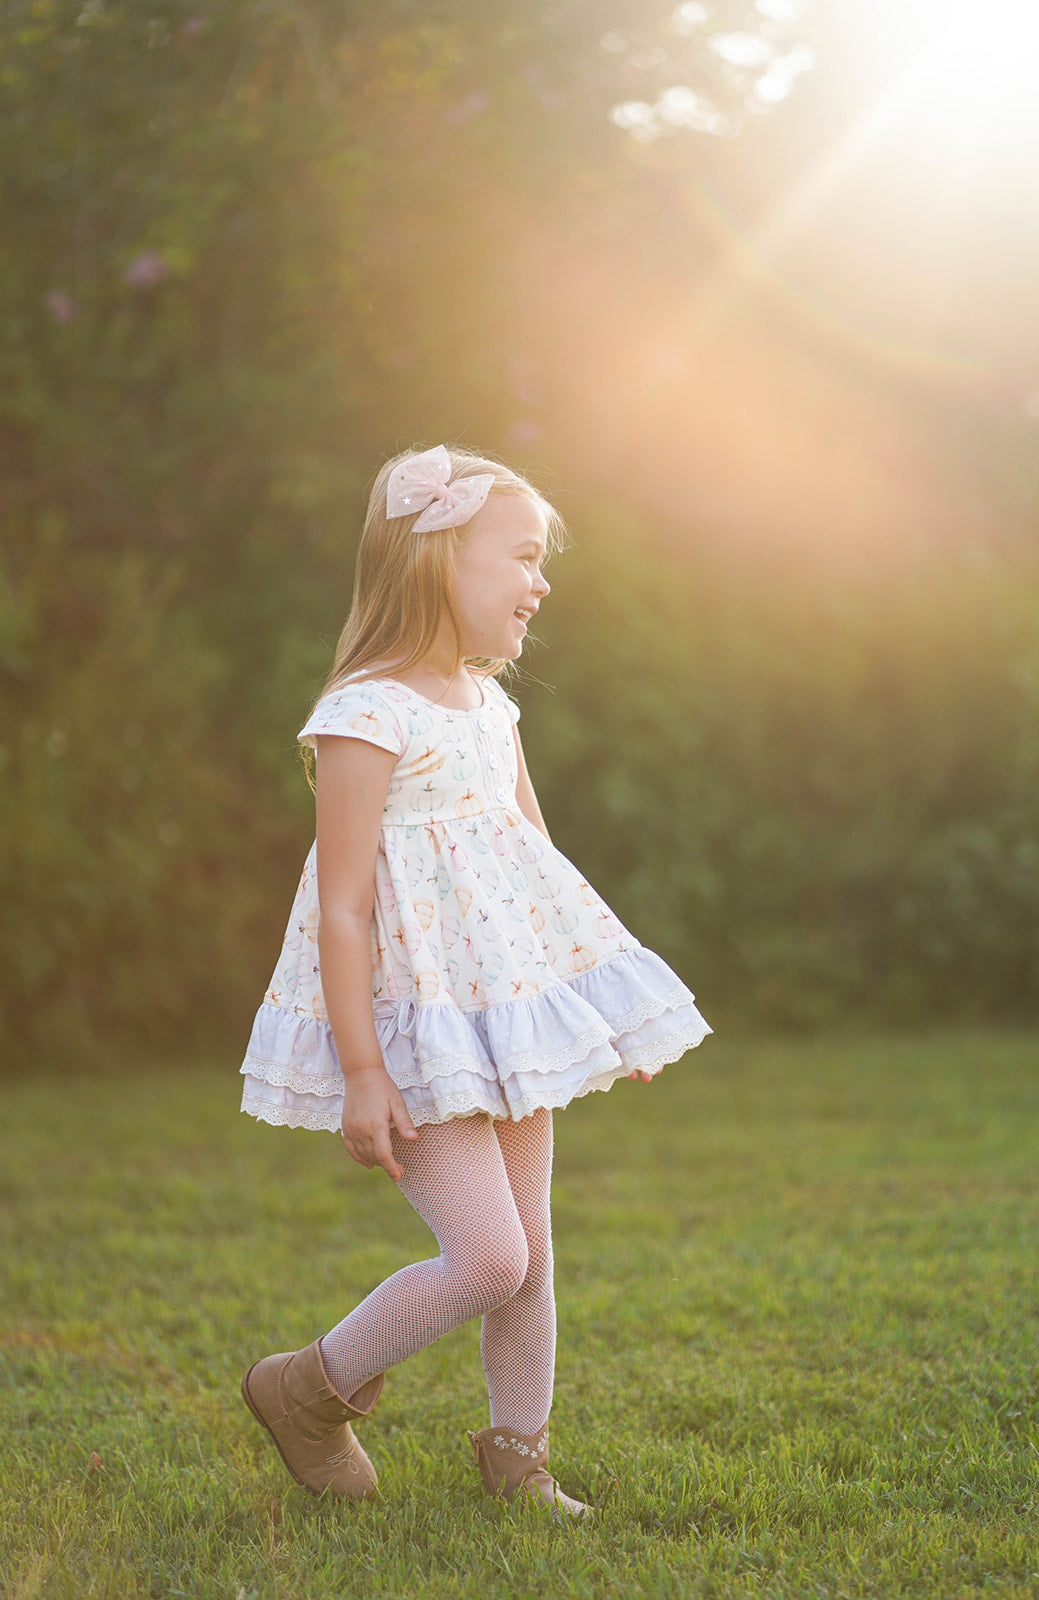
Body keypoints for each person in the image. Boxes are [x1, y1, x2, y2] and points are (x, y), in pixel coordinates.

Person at [238, 444, 711, 1515]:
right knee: (488, 1258)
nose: (539, 583)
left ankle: (517, 1459)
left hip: (503, 1020)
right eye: (523, 556)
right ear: (440, 559)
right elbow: (344, 905)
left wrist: (596, 1016)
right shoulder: (367, 713)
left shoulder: (492, 710)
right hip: (414, 1031)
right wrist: (363, 1070)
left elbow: (537, 867)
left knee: (531, 1258)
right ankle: (305, 1386)